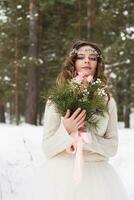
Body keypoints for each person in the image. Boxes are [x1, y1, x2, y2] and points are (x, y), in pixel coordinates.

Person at [28, 40, 130, 200]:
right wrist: (67, 130)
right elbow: (47, 148)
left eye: (93, 58)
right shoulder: (58, 98)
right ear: (73, 62)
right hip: (60, 177)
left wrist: (88, 139)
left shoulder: (107, 101)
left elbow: (112, 147)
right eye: (81, 57)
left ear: (98, 64)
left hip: (99, 178)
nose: (87, 60)